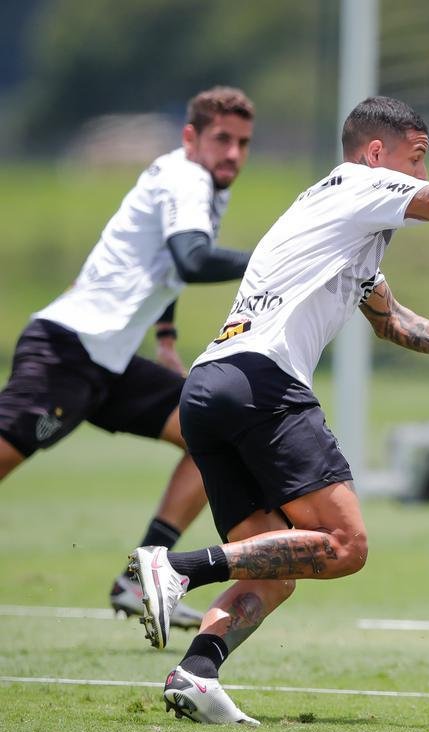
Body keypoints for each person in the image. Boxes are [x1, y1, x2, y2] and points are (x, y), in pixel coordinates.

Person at [125, 96, 429, 727]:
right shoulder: (362, 186)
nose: (422, 175)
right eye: (417, 158)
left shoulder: (335, 219)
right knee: (345, 545)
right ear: (378, 154)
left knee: (276, 563)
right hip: (262, 384)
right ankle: (175, 567)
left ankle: (197, 673)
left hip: (212, 385)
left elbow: (395, 324)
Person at [0, 86, 257, 625]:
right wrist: (269, 259)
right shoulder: (188, 179)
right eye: (221, 139)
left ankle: (139, 581)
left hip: (110, 361)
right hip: (66, 350)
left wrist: (165, 336)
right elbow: (191, 260)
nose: (233, 153)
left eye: (243, 143)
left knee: (213, 435)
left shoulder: (203, 181)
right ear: (192, 138)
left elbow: (166, 264)